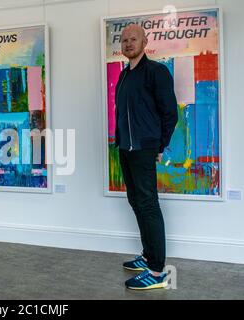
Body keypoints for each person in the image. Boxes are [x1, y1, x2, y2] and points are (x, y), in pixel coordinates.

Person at [114, 24, 178, 290]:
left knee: (148, 204)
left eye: (134, 39)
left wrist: (158, 146)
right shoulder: (124, 75)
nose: (129, 43)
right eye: (125, 40)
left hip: (144, 148)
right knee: (136, 201)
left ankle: (156, 271)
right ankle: (148, 255)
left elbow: (170, 113)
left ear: (144, 41)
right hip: (126, 148)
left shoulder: (156, 72)